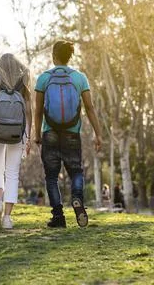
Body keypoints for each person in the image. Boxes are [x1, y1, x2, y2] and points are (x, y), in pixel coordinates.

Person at [34, 40, 102, 228]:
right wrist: (98, 134)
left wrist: (36, 134)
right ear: (70, 56)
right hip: (72, 132)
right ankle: (77, 198)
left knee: (51, 177)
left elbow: (38, 109)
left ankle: (58, 217)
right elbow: (89, 107)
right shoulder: (80, 78)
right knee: (76, 171)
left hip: (50, 132)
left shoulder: (43, 78)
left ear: (54, 56)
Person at [0, 53, 32, 229]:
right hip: (18, 130)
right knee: (12, 173)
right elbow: (29, 109)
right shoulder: (24, 74)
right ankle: (8, 218)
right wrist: (29, 135)